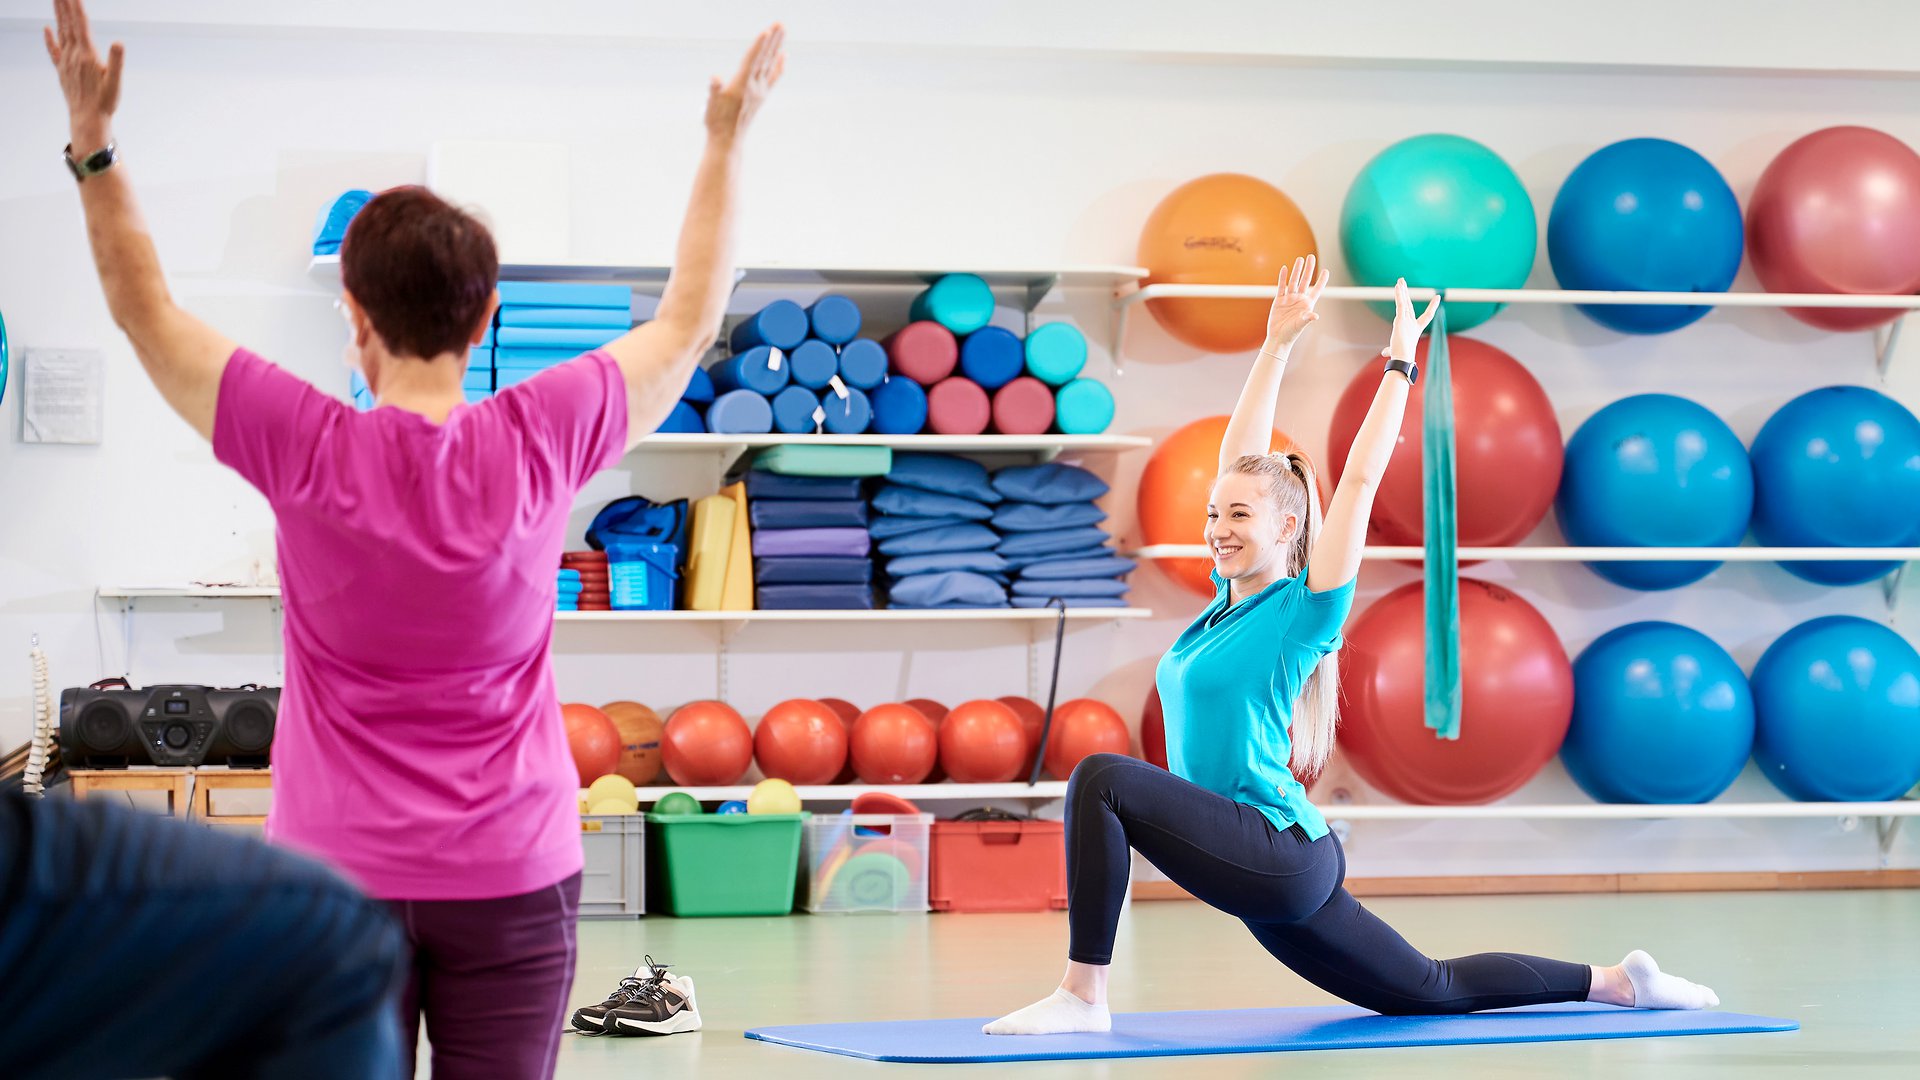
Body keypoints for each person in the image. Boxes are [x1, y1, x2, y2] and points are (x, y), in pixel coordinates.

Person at [42, 0, 784, 1074]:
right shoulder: (544, 433)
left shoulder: (304, 442)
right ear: (485, 321)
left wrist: (94, 149)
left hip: (334, 881)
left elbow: (145, 312)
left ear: (354, 316)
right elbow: (690, 316)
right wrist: (725, 142)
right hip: (516, 874)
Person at [987, 259, 1719, 1035]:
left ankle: (1083, 995)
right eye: (1213, 515)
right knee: (1426, 989)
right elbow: (1240, 458)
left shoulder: (1304, 612)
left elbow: (1363, 479)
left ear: (1289, 528)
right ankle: (1621, 983)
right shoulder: (1220, 606)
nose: (1218, 529)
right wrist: (1275, 346)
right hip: (1271, 862)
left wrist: (1400, 363)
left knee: (1101, 778)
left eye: (1238, 517)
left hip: (1275, 854)